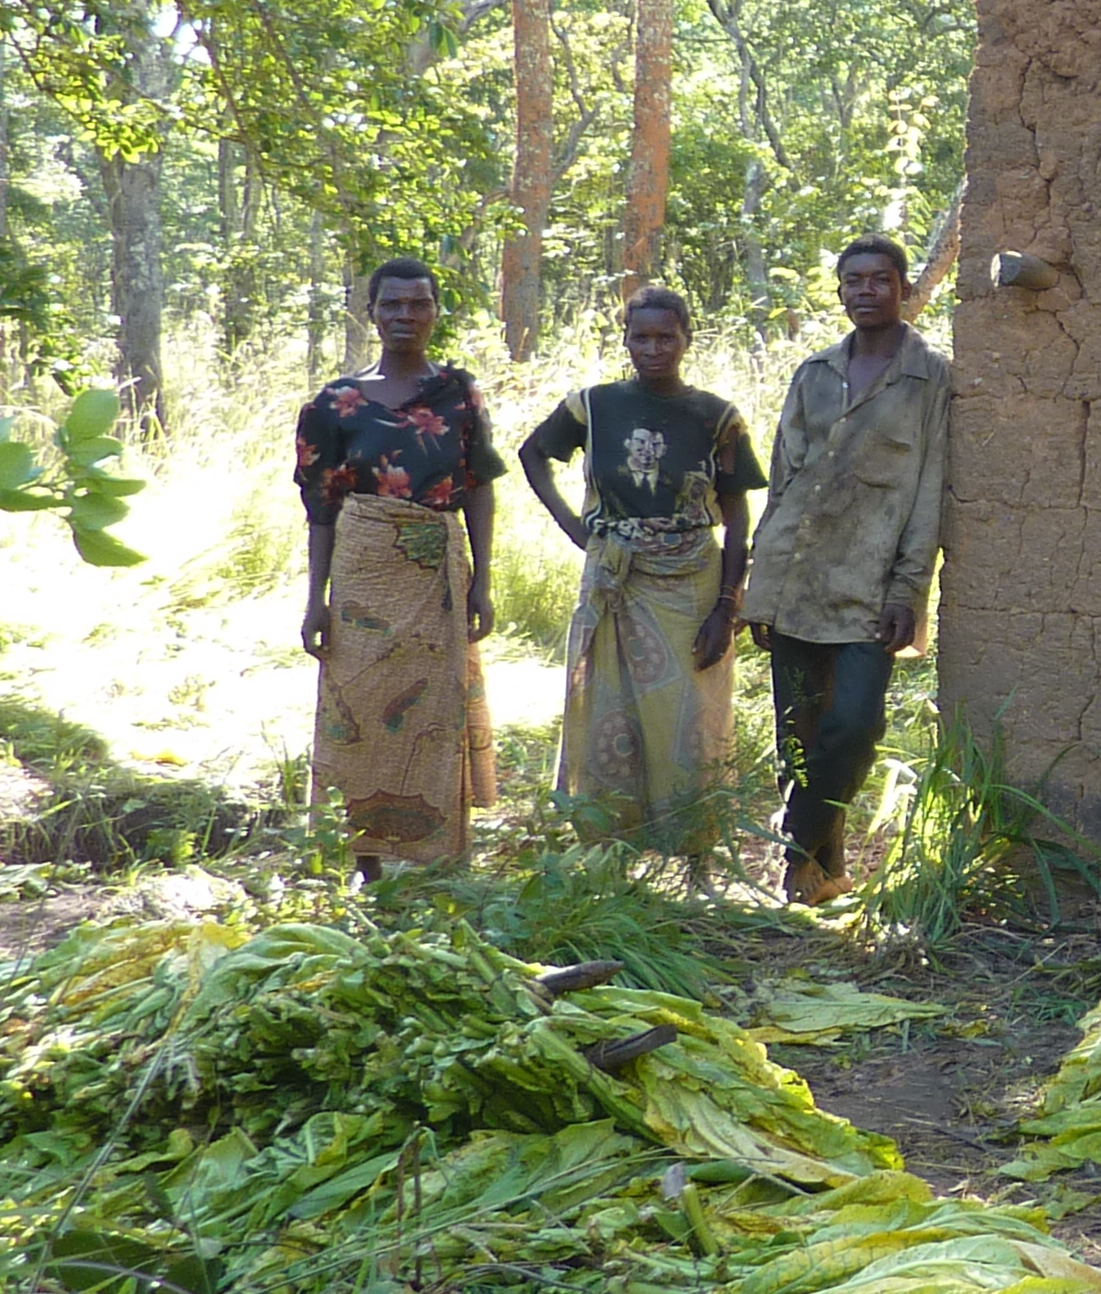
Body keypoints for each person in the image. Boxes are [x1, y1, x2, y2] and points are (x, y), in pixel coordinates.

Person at [518, 286, 765, 859]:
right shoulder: (594, 405)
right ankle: (613, 851)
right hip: (614, 579)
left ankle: (694, 855)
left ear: (687, 339)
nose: (653, 349)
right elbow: (533, 455)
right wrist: (576, 529)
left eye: (666, 337)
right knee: (610, 709)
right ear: (626, 340)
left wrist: (727, 607)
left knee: (689, 720)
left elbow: (736, 516)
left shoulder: (716, 416)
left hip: (691, 582)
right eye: (641, 337)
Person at [741, 234, 946, 902]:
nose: (866, 291)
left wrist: (909, 589)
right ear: (839, 291)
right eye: (853, 280)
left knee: (854, 725)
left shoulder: (929, 379)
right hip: (795, 576)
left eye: (880, 280)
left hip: (869, 583)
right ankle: (819, 873)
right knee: (797, 735)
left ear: (904, 289)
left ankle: (794, 843)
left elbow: (929, 489)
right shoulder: (814, 373)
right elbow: (782, 483)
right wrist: (759, 589)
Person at [295, 256, 504, 875]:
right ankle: (363, 859)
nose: (405, 316)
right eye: (392, 304)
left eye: (418, 304)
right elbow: (320, 508)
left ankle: (434, 860)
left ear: (436, 313)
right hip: (363, 577)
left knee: (436, 714)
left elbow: (480, 488)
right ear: (371, 313)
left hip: (436, 575)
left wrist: (483, 581)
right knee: (355, 710)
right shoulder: (336, 404)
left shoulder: (458, 395)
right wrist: (316, 599)